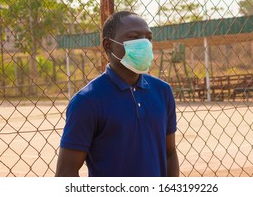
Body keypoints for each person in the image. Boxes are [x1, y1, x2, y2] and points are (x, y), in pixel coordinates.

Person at [55, 11, 179, 177]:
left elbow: (170, 152)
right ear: (108, 45)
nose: (144, 44)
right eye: (134, 38)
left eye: (148, 38)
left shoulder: (163, 92)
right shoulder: (87, 101)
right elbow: (66, 171)